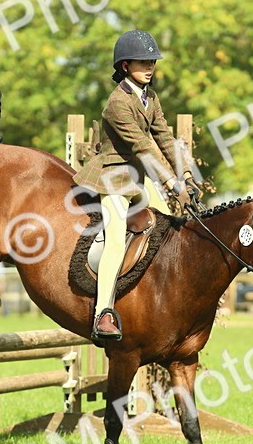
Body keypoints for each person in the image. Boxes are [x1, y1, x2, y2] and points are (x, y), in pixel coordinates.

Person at [72, 29, 194, 340]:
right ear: (125, 66)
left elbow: (164, 138)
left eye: (152, 61)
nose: (150, 67)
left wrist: (187, 175)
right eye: (143, 62)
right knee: (115, 240)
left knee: (173, 225)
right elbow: (143, 145)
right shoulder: (116, 103)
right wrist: (170, 180)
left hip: (138, 177)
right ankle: (103, 313)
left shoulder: (150, 97)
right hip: (113, 177)